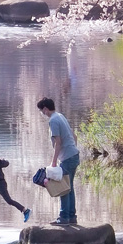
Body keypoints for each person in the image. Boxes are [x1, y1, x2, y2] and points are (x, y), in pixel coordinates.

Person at [37, 96, 80, 225]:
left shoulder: (53, 120)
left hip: (67, 158)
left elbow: (58, 143)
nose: (42, 113)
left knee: (63, 188)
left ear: (45, 108)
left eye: (41, 111)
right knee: (69, 187)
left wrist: (54, 162)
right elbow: (74, 136)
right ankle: (72, 217)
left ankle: (63, 217)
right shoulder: (60, 116)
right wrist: (72, 150)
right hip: (74, 155)